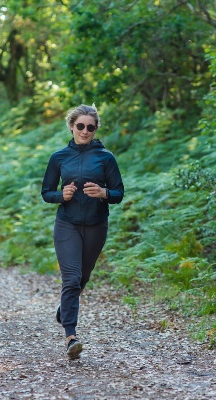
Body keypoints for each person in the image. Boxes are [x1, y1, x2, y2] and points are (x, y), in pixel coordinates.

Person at [41, 104, 124, 360]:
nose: (85, 131)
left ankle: (64, 310)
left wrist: (104, 193)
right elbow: (46, 192)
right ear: (71, 126)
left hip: (97, 225)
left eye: (90, 127)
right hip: (67, 223)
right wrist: (61, 195)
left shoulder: (106, 158)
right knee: (72, 277)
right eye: (80, 126)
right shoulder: (59, 157)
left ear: (95, 129)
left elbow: (119, 193)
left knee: (83, 278)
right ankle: (71, 337)